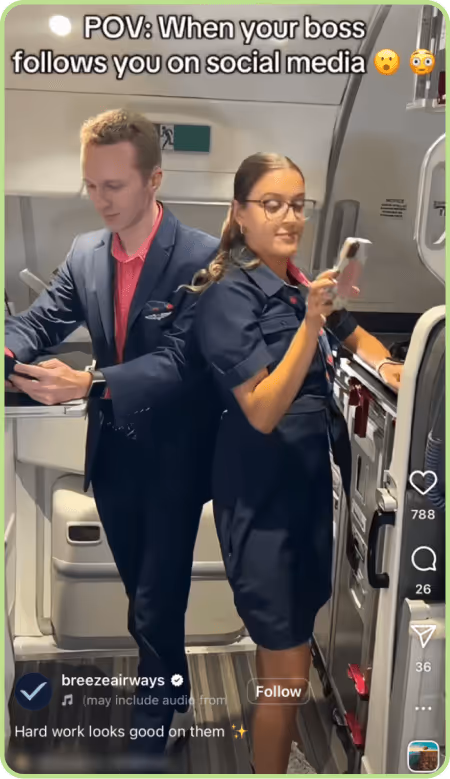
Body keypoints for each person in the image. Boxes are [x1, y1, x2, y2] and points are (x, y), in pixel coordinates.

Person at [5, 109, 221, 755]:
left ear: (153, 179)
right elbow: (41, 319)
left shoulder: (203, 257)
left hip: (175, 457)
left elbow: (182, 361)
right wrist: (8, 350)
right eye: (91, 184)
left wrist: (90, 382)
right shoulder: (85, 253)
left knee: (158, 594)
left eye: (114, 186)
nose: (100, 199)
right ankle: (171, 688)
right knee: (141, 587)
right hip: (115, 452)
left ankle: (155, 719)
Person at [191, 153, 403, 774]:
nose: (289, 216)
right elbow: (260, 409)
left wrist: (398, 369)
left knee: (291, 650)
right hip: (263, 501)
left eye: (298, 204)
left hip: (305, 488)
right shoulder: (227, 294)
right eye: (271, 204)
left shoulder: (293, 279)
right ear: (239, 212)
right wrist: (312, 322)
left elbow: (355, 334)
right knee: (282, 673)